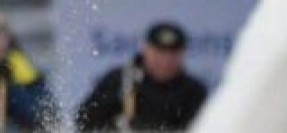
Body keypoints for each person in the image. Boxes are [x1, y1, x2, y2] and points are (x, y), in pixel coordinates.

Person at [75, 22, 208, 132]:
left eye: (172, 54)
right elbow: (83, 120)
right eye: (159, 52)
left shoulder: (195, 91)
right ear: (146, 49)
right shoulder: (119, 80)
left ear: (182, 54)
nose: (165, 60)